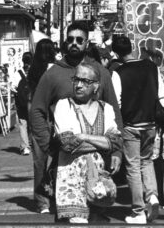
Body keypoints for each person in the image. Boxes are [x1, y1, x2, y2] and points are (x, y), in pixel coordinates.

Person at [30, 22, 121, 214]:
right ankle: (42, 201)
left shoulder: (100, 73)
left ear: (86, 43)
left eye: (79, 40)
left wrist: (117, 152)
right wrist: (48, 144)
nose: (74, 43)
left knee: (96, 212)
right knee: (70, 214)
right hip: (65, 158)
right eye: (70, 39)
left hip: (97, 164)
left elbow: (114, 111)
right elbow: (37, 110)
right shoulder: (53, 73)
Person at [52, 59, 122, 224]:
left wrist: (84, 137)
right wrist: (104, 143)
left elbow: (117, 141)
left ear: (96, 86)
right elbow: (67, 143)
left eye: (85, 81)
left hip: (98, 182)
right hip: (71, 181)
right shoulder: (64, 106)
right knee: (78, 222)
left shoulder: (107, 109)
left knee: (98, 220)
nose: (78, 85)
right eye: (76, 79)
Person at [112, 35, 164, 224]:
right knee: (147, 161)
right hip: (151, 124)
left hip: (131, 125)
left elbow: (116, 103)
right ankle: (152, 196)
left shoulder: (119, 72)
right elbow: (162, 96)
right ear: (132, 48)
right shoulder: (151, 67)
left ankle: (138, 212)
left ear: (116, 53)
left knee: (133, 168)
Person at [27, 38, 58, 214]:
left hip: (37, 117)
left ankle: (42, 202)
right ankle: (56, 195)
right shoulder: (55, 69)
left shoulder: (34, 70)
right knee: (60, 157)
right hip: (54, 116)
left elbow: (31, 96)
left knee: (39, 162)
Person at [11, 52, 32, 155]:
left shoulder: (17, 73)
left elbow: (13, 88)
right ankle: (31, 143)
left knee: (23, 123)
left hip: (21, 103)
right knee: (32, 123)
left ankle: (25, 147)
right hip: (32, 102)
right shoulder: (35, 73)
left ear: (23, 61)